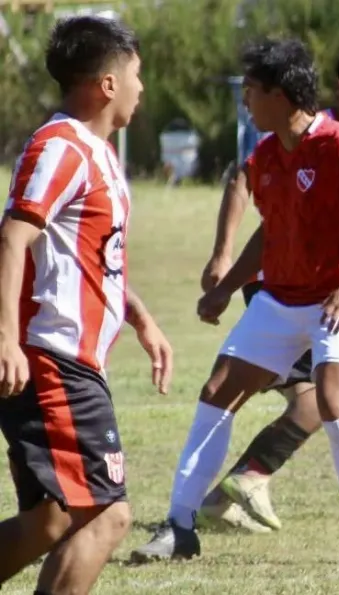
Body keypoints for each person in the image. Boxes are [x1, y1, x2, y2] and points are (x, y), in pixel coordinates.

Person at [130, 37, 339, 566]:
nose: (246, 102)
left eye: (252, 91)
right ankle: (180, 526)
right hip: (279, 299)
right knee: (217, 390)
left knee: (331, 399)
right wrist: (227, 286)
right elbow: (271, 231)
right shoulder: (270, 153)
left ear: (280, 94)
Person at [196, 46, 339, 535]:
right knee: (322, 397)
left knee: (317, 397)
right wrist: (223, 253)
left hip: (306, 291)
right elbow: (242, 178)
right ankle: (235, 486)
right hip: (280, 290)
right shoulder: (308, 131)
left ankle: (229, 491)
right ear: (338, 89)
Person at [0, 15, 173, 594]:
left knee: (51, 519)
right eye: (136, 75)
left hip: (68, 361)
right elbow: (12, 238)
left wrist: (141, 318)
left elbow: (88, 261)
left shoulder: (97, 154)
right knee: (107, 512)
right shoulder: (62, 147)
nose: (141, 87)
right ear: (106, 84)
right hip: (52, 360)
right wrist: (5, 337)